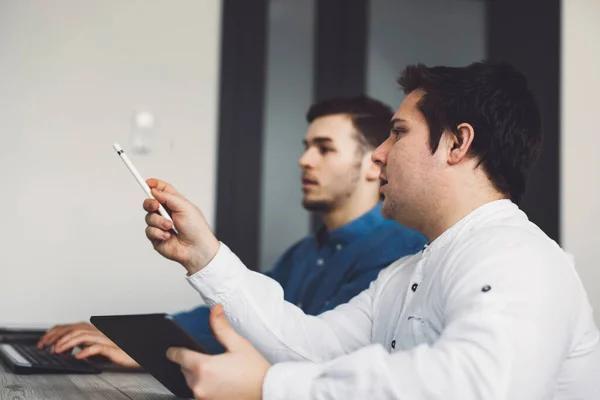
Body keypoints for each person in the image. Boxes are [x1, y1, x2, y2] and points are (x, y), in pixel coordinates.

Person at [142, 61, 600, 399]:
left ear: (457, 143)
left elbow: (479, 384)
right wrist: (204, 256)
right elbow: (312, 347)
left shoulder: (522, 258)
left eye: (397, 133)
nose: (378, 155)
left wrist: (270, 387)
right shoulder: (404, 274)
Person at [37, 96, 427, 366]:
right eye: (306, 146)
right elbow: (235, 316)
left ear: (375, 162)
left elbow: (303, 349)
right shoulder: (303, 253)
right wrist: (136, 341)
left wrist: (150, 352)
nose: (303, 160)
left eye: (324, 148)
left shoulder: (399, 256)